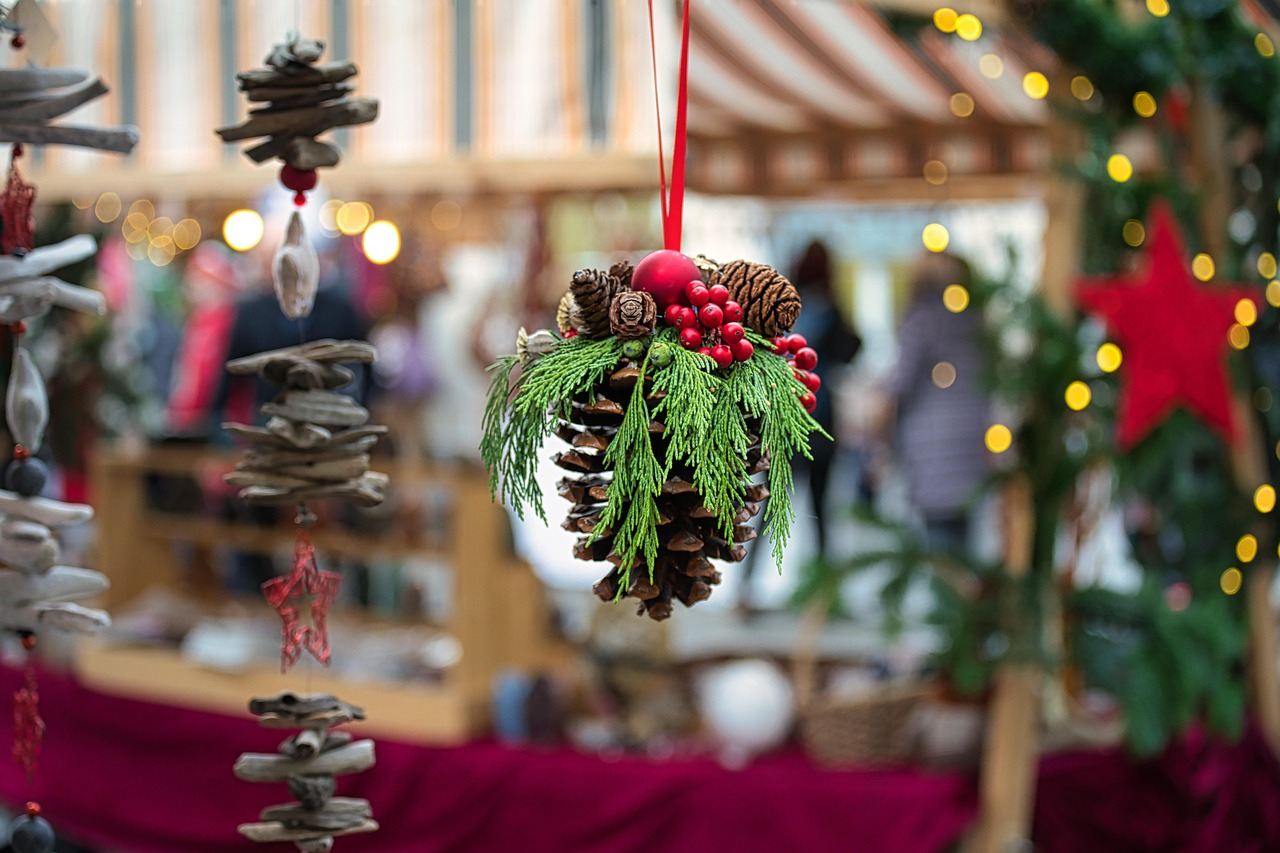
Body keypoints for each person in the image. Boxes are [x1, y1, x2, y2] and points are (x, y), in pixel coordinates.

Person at [883, 252, 990, 552]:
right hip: (973, 440)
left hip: (932, 443)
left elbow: (900, 382)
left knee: (941, 549)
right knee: (964, 540)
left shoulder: (921, 322)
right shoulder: (977, 322)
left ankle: (951, 596)